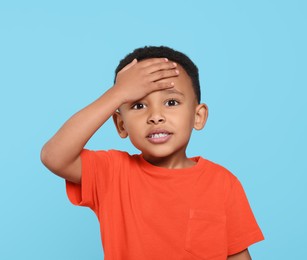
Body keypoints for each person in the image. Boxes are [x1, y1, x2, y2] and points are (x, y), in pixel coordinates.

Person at [41, 46, 264, 260]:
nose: (155, 116)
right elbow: (54, 156)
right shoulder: (112, 173)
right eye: (138, 106)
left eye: (171, 102)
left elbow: (236, 254)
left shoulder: (223, 183)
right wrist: (117, 94)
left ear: (198, 116)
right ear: (121, 125)